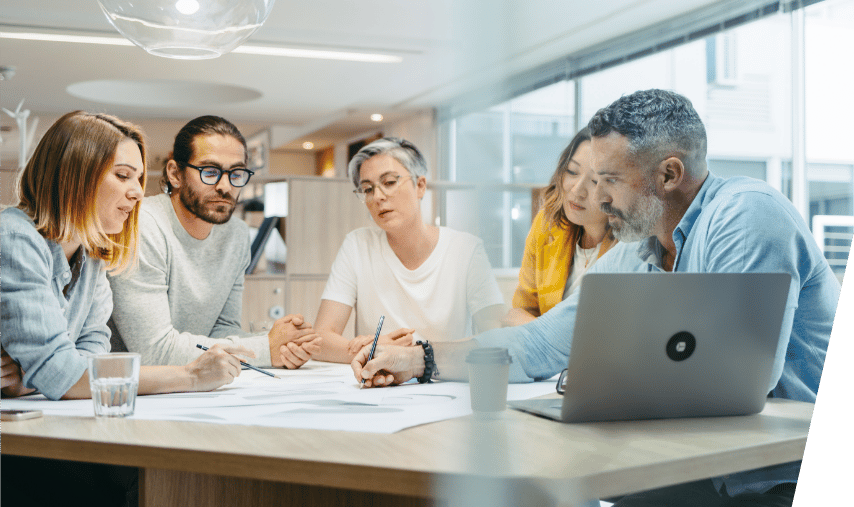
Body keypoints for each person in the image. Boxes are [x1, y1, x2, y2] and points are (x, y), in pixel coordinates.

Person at [352, 89, 839, 507]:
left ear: (668, 175)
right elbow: (538, 342)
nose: (596, 198)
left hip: (795, 476)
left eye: (609, 180)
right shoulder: (640, 252)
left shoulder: (746, 215)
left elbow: (739, 377)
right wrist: (422, 358)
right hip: (717, 474)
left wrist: (610, 380)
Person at [0, 111, 248, 507]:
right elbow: (65, 372)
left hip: (37, 422)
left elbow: (90, 350)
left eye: (139, 177)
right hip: (15, 442)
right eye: (123, 176)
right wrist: (189, 377)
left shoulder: (92, 253)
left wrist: (48, 371)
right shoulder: (15, 237)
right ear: (75, 172)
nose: (138, 193)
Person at [108, 115, 320, 369]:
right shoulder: (142, 226)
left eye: (237, 173)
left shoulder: (237, 235)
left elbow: (222, 329)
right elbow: (155, 351)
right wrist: (265, 349)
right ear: (175, 174)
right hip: (133, 390)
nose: (225, 186)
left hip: (195, 385)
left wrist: (283, 346)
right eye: (210, 172)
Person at [295, 137, 505, 366]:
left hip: (444, 386)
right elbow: (320, 339)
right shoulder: (358, 245)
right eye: (367, 189)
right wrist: (371, 350)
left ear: (420, 186)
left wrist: (412, 357)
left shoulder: (467, 250)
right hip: (375, 386)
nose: (378, 197)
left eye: (389, 182)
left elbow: (496, 340)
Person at [504, 127, 616, 326]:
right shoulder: (547, 225)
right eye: (572, 171)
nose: (577, 190)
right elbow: (521, 310)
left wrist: (539, 331)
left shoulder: (631, 248)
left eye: (595, 181)